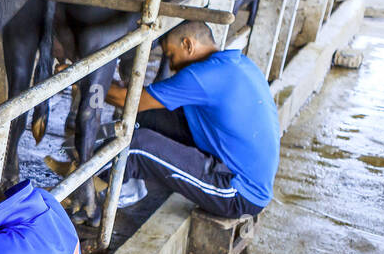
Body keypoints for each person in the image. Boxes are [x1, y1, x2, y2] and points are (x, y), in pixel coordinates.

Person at [104, 20, 279, 218]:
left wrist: (86, 79)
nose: (170, 65)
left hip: (238, 193)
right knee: (147, 116)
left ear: (188, 44)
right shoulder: (238, 63)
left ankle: (85, 189)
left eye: (170, 55)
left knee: (136, 147)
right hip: (235, 166)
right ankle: (114, 174)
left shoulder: (201, 76)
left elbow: (125, 99)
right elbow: (144, 107)